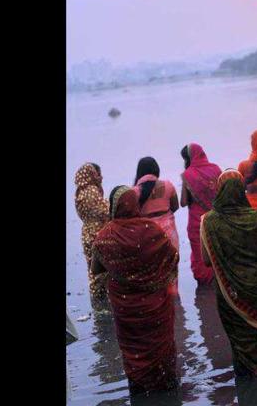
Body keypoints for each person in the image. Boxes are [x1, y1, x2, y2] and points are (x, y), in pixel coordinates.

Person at [91, 186, 180, 394]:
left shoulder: (105, 236)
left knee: (134, 352)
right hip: (156, 305)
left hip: (126, 308)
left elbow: (96, 269)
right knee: (162, 349)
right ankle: (168, 390)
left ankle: (140, 392)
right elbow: (173, 257)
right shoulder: (152, 230)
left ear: (113, 207)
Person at [200, 169, 257, 377]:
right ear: (242, 191)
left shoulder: (209, 222)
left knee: (240, 341)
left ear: (219, 191)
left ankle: (248, 379)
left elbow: (207, 260)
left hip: (232, 296)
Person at [179, 143, 221, 285]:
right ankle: (221, 281)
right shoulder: (216, 169)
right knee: (217, 250)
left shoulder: (187, 175)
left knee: (200, 254)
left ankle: (205, 285)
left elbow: (183, 202)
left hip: (198, 222)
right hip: (217, 218)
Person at [74, 163, 109, 301]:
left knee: (92, 269)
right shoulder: (92, 191)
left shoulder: (79, 192)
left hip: (87, 232)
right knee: (103, 269)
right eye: (98, 174)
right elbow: (104, 211)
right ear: (93, 174)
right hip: (98, 232)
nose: (101, 177)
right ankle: (102, 303)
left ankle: (97, 300)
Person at [133, 157, 180, 251]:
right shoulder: (168, 185)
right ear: (156, 169)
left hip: (146, 233)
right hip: (168, 232)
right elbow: (175, 206)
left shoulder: (134, 191)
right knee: (171, 262)